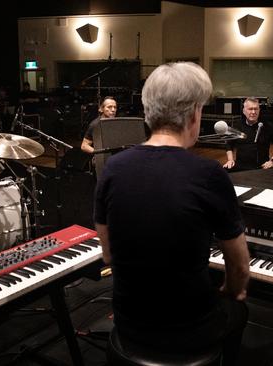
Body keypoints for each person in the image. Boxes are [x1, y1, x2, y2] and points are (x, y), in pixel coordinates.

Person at [94, 62, 250, 365]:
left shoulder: (112, 169)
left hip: (129, 324)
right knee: (239, 308)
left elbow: (110, 255)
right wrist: (230, 291)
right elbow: (240, 269)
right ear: (194, 114)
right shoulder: (208, 174)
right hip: (191, 331)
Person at [223, 97, 273, 171]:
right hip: (241, 166)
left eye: (256, 109)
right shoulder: (237, 126)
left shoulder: (267, 126)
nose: (253, 112)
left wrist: (272, 161)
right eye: (250, 109)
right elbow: (229, 144)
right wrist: (230, 160)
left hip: (262, 166)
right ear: (244, 111)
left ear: (259, 110)